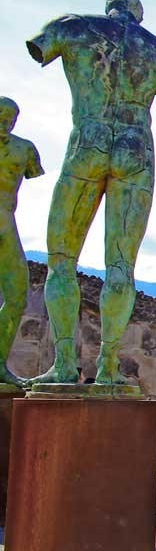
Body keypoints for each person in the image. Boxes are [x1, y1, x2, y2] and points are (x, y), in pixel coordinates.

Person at [24, 0, 156, 387]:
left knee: (61, 260)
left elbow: (39, 47)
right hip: (136, 150)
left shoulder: (74, 24)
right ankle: (108, 365)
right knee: (121, 268)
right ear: (140, 14)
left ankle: (64, 363)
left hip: (88, 141)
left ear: (112, 7)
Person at [0, 96, 43, 388]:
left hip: (5, 221)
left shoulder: (24, 149)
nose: (5, 122)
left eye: (10, 118)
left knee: (17, 295)